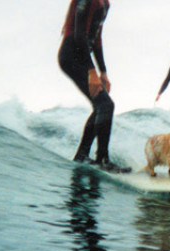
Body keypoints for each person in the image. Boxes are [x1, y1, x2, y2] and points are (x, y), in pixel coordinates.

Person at [58, 0, 130, 173]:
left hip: (82, 57)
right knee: (106, 105)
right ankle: (102, 160)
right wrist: (92, 71)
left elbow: (96, 38)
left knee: (101, 106)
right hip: (70, 56)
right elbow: (79, 35)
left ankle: (82, 155)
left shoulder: (105, 4)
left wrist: (103, 72)